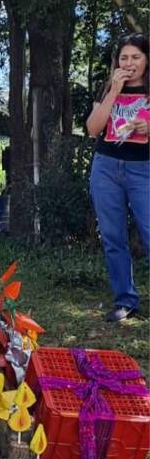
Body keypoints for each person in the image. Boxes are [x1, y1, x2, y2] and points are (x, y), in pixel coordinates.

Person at [85, 33, 150, 322]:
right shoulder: (108, 87)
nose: (129, 63)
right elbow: (92, 129)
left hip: (143, 169)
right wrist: (113, 90)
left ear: (146, 60)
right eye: (124, 57)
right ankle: (125, 300)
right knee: (113, 237)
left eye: (136, 57)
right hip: (106, 168)